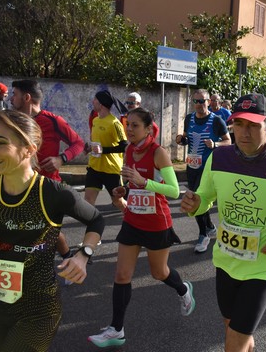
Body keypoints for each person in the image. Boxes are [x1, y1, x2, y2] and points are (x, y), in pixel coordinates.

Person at [180, 93, 266, 352]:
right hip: (225, 260)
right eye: (239, 124)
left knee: (234, 343)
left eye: (253, 125)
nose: (244, 132)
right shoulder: (219, 158)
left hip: (262, 267)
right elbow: (205, 197)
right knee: (232, 328)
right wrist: (195, 204)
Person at [0, 110, 104, 352]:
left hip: (40, 309)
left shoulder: (53, 193)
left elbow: (96, 220)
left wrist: (83, 254)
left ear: (29, 149)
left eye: (0, 142)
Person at [88, 108, 194, 348]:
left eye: (135, 125)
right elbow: (132, 184)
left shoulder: (159, 153)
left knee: (159, 272)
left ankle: (182, 289)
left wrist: (142, 181)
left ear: (148, 129)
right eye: (128, 125)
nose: (129, 129)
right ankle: (116, 329)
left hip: (157, 222)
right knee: (122, 275)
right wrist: (124, 190)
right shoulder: (128, 150)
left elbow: (174, 191)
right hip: (133, 219)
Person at [10, 79, 87, 264]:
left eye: (15, 94)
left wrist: (61, 159)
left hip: (46, 186)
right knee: (25, 227)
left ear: (27, 97)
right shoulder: (14, 122)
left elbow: (79, 144)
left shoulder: (52, 121)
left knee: (46, 228)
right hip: (20, 183)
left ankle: (65, 258)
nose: (11, 99)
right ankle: (61, 258)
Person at [176, 89, 231, 253]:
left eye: (202, 101)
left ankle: (203, 234)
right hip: (192, 166)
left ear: (209, 102)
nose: (199, 105)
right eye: (196, 101)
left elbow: (228, 141)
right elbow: (186, 138)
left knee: (194, 199)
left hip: (208, 168)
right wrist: (181, 140)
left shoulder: (217, 120)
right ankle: (210, 226)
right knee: (197, 198)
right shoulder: (189, 119)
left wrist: (215, 145)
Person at [85, 90, 129, 211]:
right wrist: (89, 148)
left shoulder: (115, 123)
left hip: (111, 169)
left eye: (95, 100)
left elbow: (124, 146)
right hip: (94, 167)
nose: (93, 102)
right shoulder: (95, 120)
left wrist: (104, 150)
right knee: (88, 201)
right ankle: (92, 226)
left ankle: (133, 219)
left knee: (118, 202)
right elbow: (98, 144)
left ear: (101, 104)